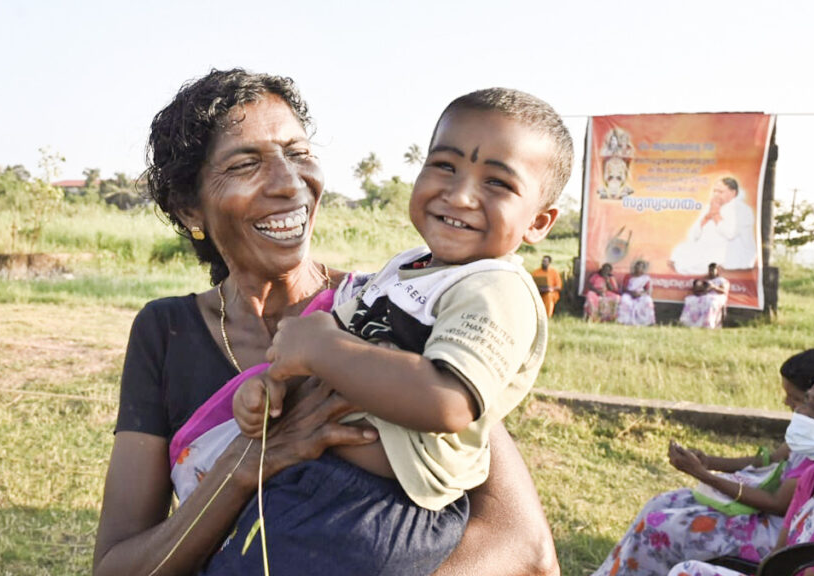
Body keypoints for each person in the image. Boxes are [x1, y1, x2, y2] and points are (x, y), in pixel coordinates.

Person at [93, 69, 561, 576]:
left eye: (298, 154)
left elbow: (524, 547)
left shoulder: (392, 310)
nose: (289, 184)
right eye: (246, 163)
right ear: (190, 209)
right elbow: (119, 567)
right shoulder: (166, 333)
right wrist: (248, 464)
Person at [220, 86, 572, 574]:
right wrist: (269, 386)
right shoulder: (405, 269)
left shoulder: (496, 288)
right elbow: (323, 342)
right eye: (445, 166)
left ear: (538, 222)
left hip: (381, 509)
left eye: (497, 183)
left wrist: (324, 349)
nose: (461, 194)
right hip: (319, 479)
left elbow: (447, 402)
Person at [591, 348, 814, 576]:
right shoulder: (810, 434)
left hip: (771, 530)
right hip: (768, 521)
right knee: (661, 503)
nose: (790, 404)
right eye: (802, 401)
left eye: (797, 399)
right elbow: (769, 459)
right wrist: (708, 462)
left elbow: (777, 507)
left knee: (658, 528)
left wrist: (704, 475)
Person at [667, 369, 814, 576]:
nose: (802, 411)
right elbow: (778, 557)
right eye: (806, 401)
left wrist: (704, 473)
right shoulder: (812, 476)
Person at [670, 176, 757, 275]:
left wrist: (715, 214)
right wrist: (706, 218)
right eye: (715, 191)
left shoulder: (742, 210)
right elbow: (693, 234)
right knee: (680, 250)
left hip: (733, 250)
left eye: (720, 192)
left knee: (700, 260)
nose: (716, 194)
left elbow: (730, 234)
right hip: (711, 246)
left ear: (733, 193)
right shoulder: (711, 206)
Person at [680, 262, 730, 329]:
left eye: (712, 270)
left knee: (710, 301)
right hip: (705, 295)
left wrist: (714, 287)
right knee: (690, 299)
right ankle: (688, 322)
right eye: (709, 270)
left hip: (718, 296)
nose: (710, 272)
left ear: (717, 270)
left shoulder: (722, 280)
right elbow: (697, 290)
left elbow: (724, 291)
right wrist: (701, 287)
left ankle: (707, 323)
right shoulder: (705, 280)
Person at [616, 259, 655, 326]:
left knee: (648, 300)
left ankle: (646, 322)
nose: (638, 267)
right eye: (637, 266)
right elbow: (624, 288)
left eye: (640, 266)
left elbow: (647, 290)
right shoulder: (628, 276)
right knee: (624, 299)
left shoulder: (646, 278)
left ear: (643, 268)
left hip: (640, 295)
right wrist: (631, 293)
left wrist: (640, 294)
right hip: (629, 293)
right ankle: (624, 320)